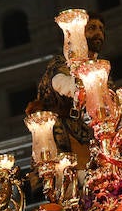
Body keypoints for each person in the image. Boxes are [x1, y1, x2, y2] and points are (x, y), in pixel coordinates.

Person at [27, 13, 107, 169]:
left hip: (82, 132)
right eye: (92, 28)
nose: (99, 33)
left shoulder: (99, 67)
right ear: (78, 34)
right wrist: (90, 88)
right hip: (55, 132)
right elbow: (62, 84)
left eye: (101, 29)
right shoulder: (61, 62)